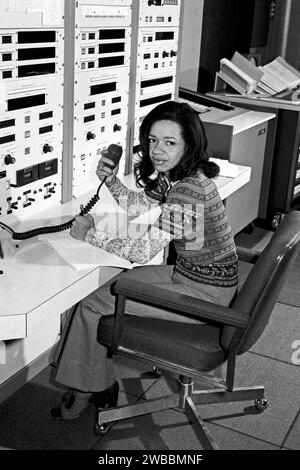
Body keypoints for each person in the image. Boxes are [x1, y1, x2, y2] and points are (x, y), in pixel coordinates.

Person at [50, 100, 238, 420]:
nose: (157, 151)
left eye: (169, 142)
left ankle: (92, 388)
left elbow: (140, 253)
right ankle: (92, 379)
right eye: (152, 140)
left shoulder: (188, 190)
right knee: (100, 293)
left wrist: (88, 235)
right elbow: (137, 206)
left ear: (188, 145)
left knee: (91, 304)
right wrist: (109, 181)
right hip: (193, 276)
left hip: (203, 293)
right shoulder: (178, 175)